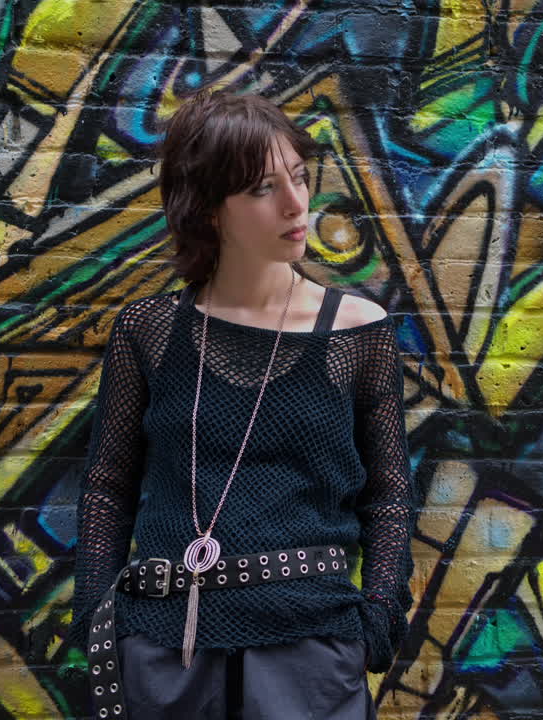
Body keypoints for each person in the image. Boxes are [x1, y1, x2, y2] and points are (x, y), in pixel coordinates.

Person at [69, 89, 416, 719]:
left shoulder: (356, 333)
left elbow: (389, 493)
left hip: (311, 652)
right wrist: (101, 624)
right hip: (164, 650)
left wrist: (378, 618)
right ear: (207, 210)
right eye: (262, 189)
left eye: (301, 178)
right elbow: (107, 488)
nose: (296, 205)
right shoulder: (150, 331)